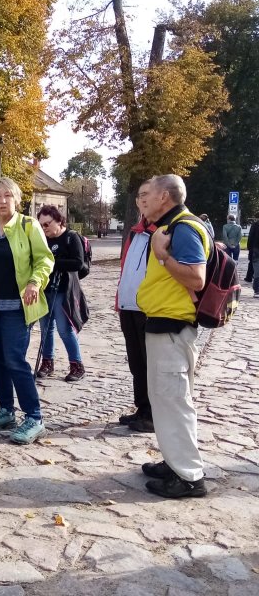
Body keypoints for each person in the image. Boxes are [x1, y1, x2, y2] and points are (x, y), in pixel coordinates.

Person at [138, 174, 208, 498]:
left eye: (148, 194)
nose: (143, 200)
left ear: (165, 196)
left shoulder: (183, 227)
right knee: (166, 401)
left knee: (175, 401)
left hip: (172, 328)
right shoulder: (171, 226)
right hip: (163, 327)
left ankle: (189, 477)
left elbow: (196, 278)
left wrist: (163, 256)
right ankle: (174, 461)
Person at [0, 177, 54, 445]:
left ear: (17, 199)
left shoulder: (27, 225)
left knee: (15, 361)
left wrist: (35, 282)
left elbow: (45, 259)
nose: (2, 200)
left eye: (7, 195)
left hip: (18, 308)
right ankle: (6, 410)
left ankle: (34, 417)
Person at [115, 185, 155, 433]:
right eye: (139, 195)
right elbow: (126, 267)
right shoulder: (135, 232)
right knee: (136, 362)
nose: (142, 199)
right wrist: (121, 296)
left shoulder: (164, 231)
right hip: (129, 305)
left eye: (147, 195)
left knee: (151, 362)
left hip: (149, 308)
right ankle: (142, 408)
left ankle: (152, 414)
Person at [35, 205, 89, 382]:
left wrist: (54, 263)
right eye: (41, 225)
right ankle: (47, 363)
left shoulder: (71, 237)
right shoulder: (43, 239)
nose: (44, 228)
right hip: (45, 289)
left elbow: (78, 263)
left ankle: (77, 365)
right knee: (45, 329)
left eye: (47, 224)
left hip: (63, 289)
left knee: (65, 329)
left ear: (59, 221)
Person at [247, 218, 259, 290]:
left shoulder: (255, 224)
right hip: (256, 249)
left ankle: (257, 289)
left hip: (256, 249)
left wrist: (250, 249)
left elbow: (250, 237)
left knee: (257, 270)